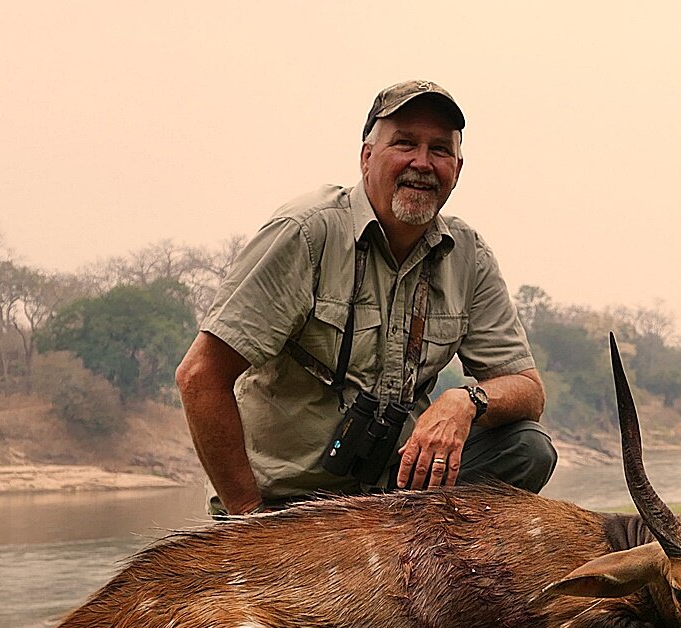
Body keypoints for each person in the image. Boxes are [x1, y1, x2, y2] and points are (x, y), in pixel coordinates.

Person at [176, 80, 556, 515]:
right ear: (366, 157)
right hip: (286, 504)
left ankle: (430, 570)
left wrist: (464, 401)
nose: (422, 163)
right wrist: (248, 517)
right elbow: (200, 377)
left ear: (458, 168)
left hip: (395, 495)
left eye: (440, 150)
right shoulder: (305, 233)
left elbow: (529, 390)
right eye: (405, 143)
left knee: (528, 448)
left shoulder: (469, 255)